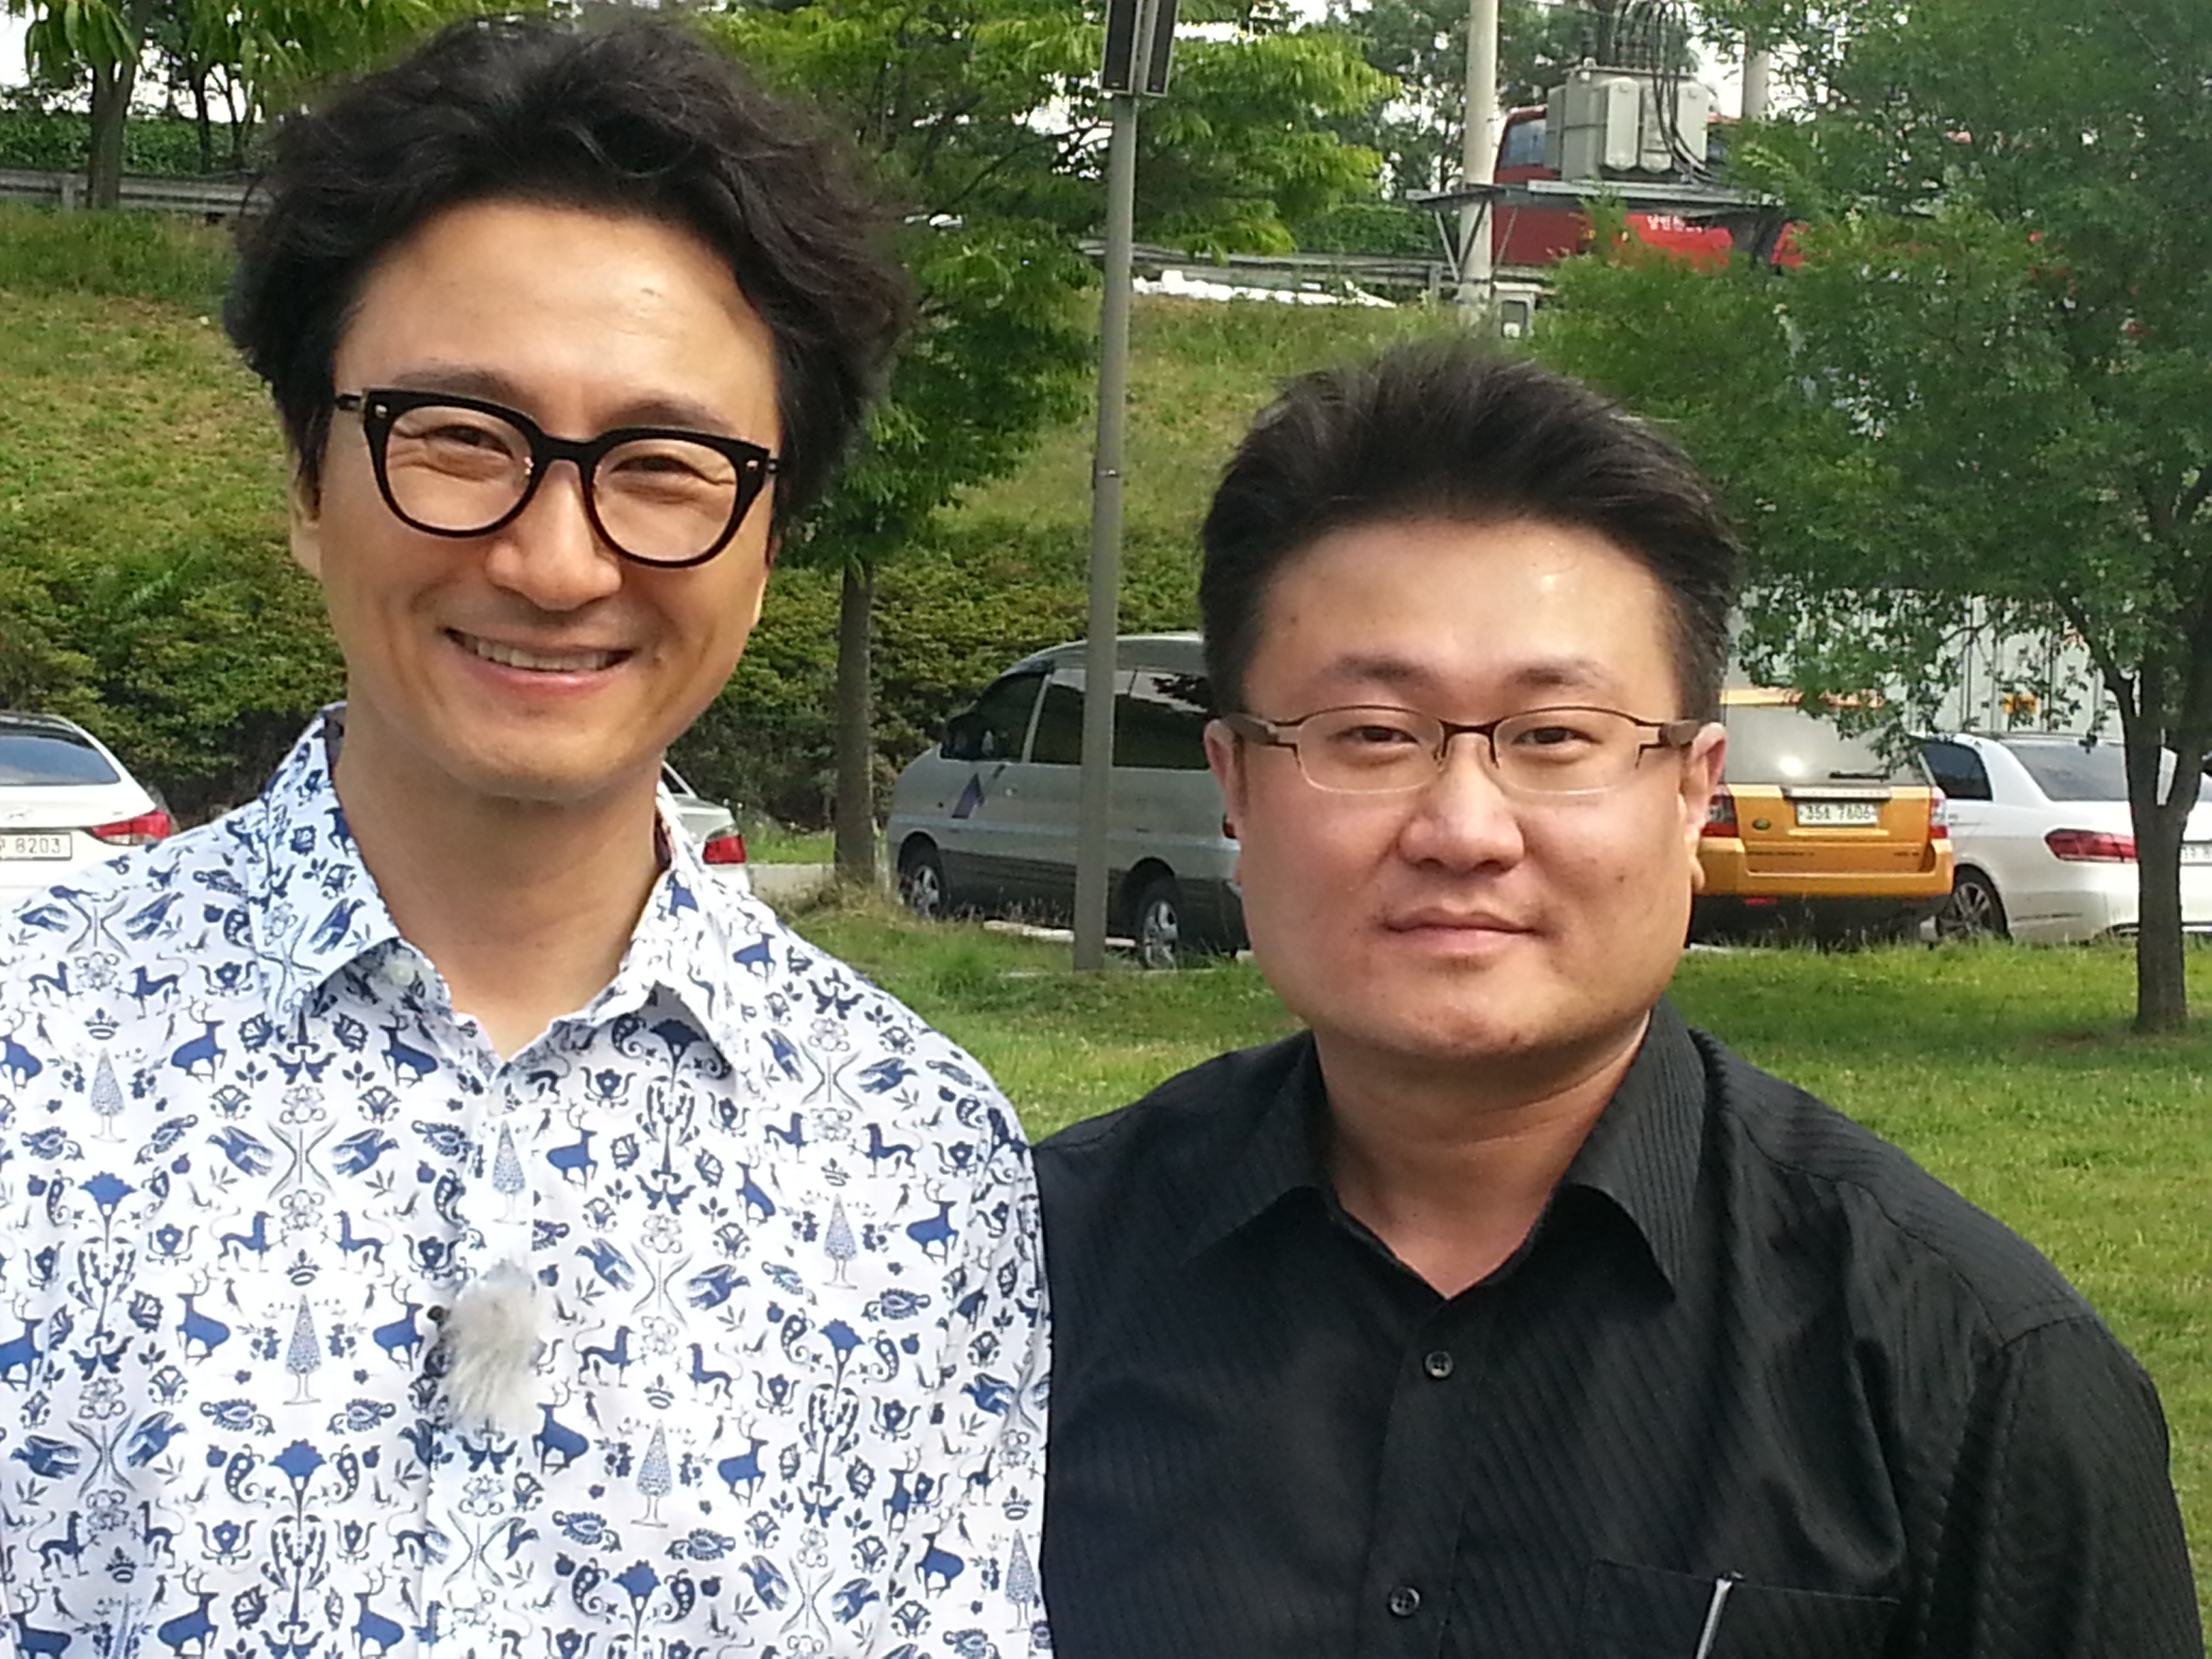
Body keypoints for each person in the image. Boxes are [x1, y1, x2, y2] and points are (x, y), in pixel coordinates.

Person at [0, 18, 1047, 1658]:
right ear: (309, 478)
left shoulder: (916, 1157)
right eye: (459, 439)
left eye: (665, 465)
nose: (556, 564)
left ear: (767, 540)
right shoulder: (28, 1062)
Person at [1034, 340, 2201, 1658]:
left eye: (1554, 738)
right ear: (1237, 784)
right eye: (1371, 735)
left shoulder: (1972, 1371)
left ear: (1693, 791)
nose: (1464, 829)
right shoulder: (1028, 1285)